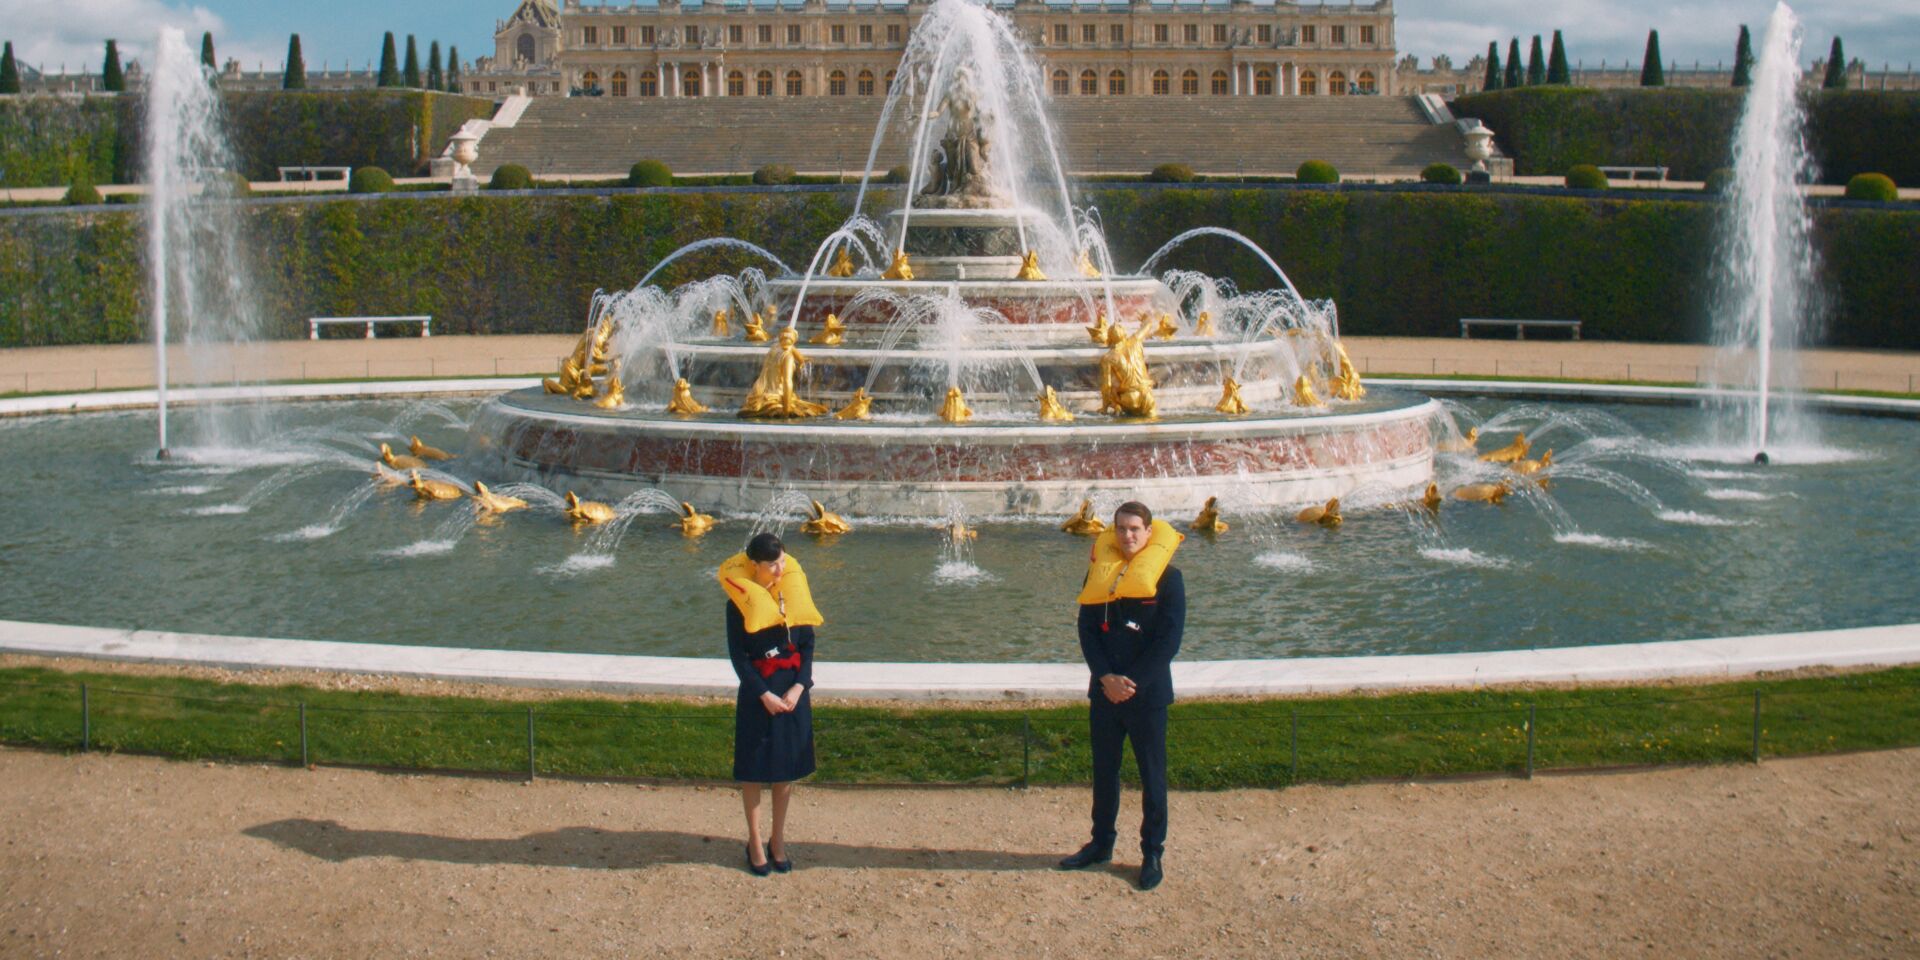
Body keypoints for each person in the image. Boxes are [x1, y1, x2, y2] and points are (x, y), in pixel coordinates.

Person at [1058, 500, 1186, 891]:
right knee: (1104, 773)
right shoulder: (1099, 576)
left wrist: (1130, 683)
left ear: (1149, 533)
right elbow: (1087, 630)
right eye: (1121, 529)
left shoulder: (1169, 578)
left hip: (1146, 696)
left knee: (1152, 776)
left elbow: (1168, 641)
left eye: (1135, 529)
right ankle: (1100, 843)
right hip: (1104, 693)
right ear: (1112, 533)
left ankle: (1152, 852)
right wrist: (1105, 678)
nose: (1128, 536)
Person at [720, 532, 822, 875]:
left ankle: (777, 840)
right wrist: (763, 694)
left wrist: (799, 687)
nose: (779, 570)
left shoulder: (793, 591)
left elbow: (807, 646)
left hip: (791, 693)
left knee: (785, 773)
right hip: (758, 694)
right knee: (753, 772)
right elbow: (739, 657)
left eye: (782, 562)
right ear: (754, 566)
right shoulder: (739, 601)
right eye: (772, 565)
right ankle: (754, 840)